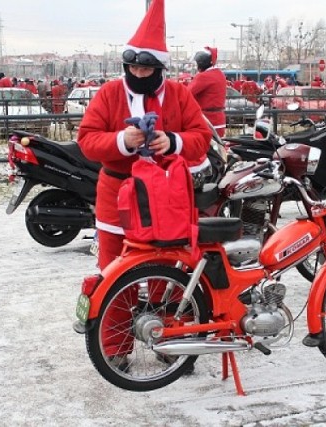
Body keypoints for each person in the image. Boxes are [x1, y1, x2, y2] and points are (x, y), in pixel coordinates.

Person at [78, 0, 210, 271]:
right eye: (133, 68)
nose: (137, 74)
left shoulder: (178, 93)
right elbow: (87, 140)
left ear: (159, 68)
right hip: (116, 193)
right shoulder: (109, 93)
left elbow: (201, 137)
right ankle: (113, 315)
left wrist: (173, 142)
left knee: (166, 267)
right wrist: (121, 141)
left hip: (166, 196)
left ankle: (169, 313)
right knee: (114, 270)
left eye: (146, 69)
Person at [188, 46, 227, 137]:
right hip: (219, 120)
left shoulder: (204, 76)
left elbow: (186, 93)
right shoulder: (219, 74)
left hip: (207, 120)